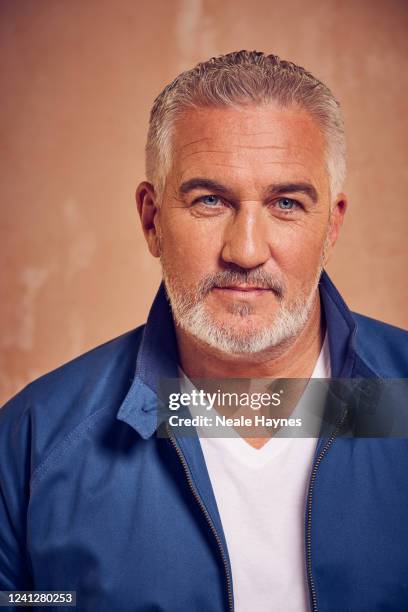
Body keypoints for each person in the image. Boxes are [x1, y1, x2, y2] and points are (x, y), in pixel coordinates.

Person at [0, 50, 407, 612]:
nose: (244, 250)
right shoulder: (31, 444)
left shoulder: (400, 402)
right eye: (209, 201)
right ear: (151, 220)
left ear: (331, 226)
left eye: (285, 203)